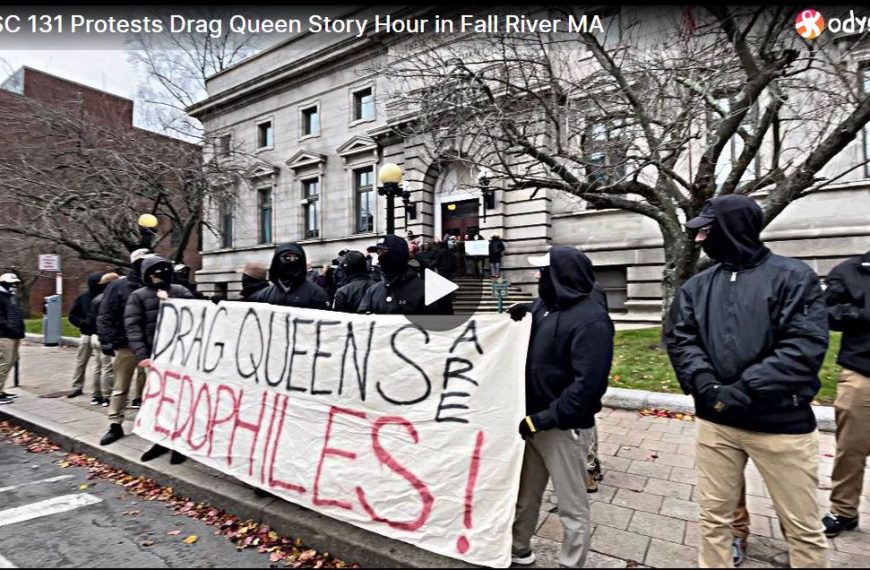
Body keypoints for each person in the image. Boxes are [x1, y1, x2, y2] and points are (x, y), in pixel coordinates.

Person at [663, 194, 829, 569]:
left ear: (733, 229)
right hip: (716, 424)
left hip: (781, 428)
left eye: (707, 230)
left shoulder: (793, 276)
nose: (700, 239)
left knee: (802, 527)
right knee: (714, 520)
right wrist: (705, 383)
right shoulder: (697, 285)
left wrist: (746, 388)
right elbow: (681, 337)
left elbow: (804, 345)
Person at [508, 247, 614, 568]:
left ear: (560, 275)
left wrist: (545, 419)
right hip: (531, 423)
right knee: (525, 498)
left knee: (572, 507)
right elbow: (541, 312)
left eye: (543, 271)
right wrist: (521, 311)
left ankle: (572, 562)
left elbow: (588, 388)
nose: (538, 276)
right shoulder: (544, 305)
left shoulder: (592, 321)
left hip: (563, 429)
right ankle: (518, 550)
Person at [820, 247, 870, 538]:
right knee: (851, 449)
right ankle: (843, 511)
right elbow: (824, 310)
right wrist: (860, 314)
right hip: (862, 374)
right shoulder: (850, 271)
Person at [124, 256, 194, 464]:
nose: (158, 278)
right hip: (154, 358)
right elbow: (133, 326)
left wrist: (170, 303)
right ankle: (160, 438)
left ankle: (179, 442)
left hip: (180, 356)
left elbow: (195, 316)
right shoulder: (138, 296)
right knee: (158, 400)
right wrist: (142, 356)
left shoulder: (181, 292)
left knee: (180, 400)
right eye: (154, 274)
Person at [98, 248, 151, 446]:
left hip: (149, 345)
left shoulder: (155, 284)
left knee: (149, 385)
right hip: (125, 344)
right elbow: (105, 315)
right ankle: (115, 423)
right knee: (121, 386)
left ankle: (148, 421)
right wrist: (108, 340)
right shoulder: (118, 287)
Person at [358, 235, 428, 315]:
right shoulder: (373, 291)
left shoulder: (424, 290)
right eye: (378, 253)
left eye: (383, 252)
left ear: (398, 254)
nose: (379, 258)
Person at [249, 243, 331, 309]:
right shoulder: (263, 296)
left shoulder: (317, 294)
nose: (292, 261)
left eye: (296, 258)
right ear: (276, 262)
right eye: (286, 258)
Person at [67, 274, 104, 399]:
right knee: (81, 362)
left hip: (100, 334)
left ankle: (98, 390)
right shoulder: (83, 298)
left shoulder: (105, 297)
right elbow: (72, 316)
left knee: (100, 365)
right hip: (87, 333)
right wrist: (83, 323)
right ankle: (77, 386)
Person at [87, 272, 119, 406]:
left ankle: (96, 395)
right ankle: (107, 396)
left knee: (97, 367)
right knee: (108, 368)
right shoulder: (109, 299)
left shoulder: (96, 299)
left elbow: (91, 319)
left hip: (94, 335)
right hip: (104, 336)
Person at [0, 273, 25, 405]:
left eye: (16, 284)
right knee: (4, 363)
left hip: (14, 335)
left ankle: (1, 389)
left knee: (9, 362)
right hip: (5, 336)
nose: (14, 286)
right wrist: (9, 326)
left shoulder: (11, 297)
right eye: (12, 284)